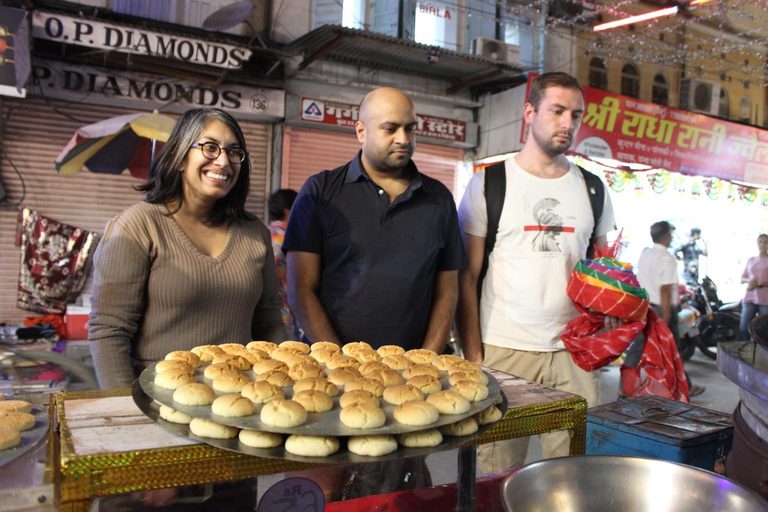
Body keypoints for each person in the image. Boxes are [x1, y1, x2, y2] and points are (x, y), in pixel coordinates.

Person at [282, 86, 466, 500]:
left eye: (409, 128)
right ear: (360, 131)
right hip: (327, 382)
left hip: (408, 385)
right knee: (324, 488)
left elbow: (447, 290)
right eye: (390, 128)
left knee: (400, 492)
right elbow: (300, 290)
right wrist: (342, 368)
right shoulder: (321, 191)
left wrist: (425, 364)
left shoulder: (437, 199)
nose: (403, 138)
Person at [456, 72, 616, 474]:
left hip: (574, 354)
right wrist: (473, 354)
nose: (568, 124)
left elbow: (602, 271)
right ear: (530, 112)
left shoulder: (593, 188)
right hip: (505, 348)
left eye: (576, 115)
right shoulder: (489, 183)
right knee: (497, 472)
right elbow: (465, 276)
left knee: (571, 472)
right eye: (557, 111)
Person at [89, 107, 285, 390]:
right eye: (210, 147)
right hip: (160, 398)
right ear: (180, 158)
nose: (223, 161)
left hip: (240, 398)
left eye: (234, 152)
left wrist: (278, 384)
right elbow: (108, 333)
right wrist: (126, 407)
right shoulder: (137, 226)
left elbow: (268, 319)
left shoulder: (255, 233)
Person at [623, 221, 704, 398]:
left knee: (637, 347)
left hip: (644, 307)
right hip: (662, 309)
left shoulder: (644, 255)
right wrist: (666, 316)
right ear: (667, 236)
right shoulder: (667, 258)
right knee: (673, 348)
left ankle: (623, 387)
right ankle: (685, 387)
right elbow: (666, 289)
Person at [267, 188, 300, 340]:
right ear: (288, 211)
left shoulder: (263, 232)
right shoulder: (285, 238)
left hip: (266, 314)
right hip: (282, 315)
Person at [739, 233, 768, 340]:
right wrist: (750, 281)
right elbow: (742, 278)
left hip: (765, 300)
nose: (762, 245)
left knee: (763, 330)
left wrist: (759, 284)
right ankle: (748, 349)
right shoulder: (751, 260)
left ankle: (762, 351)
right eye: (760, 242)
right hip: (750, 297)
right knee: (744, 327)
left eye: (765, 242)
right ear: (757, 244)